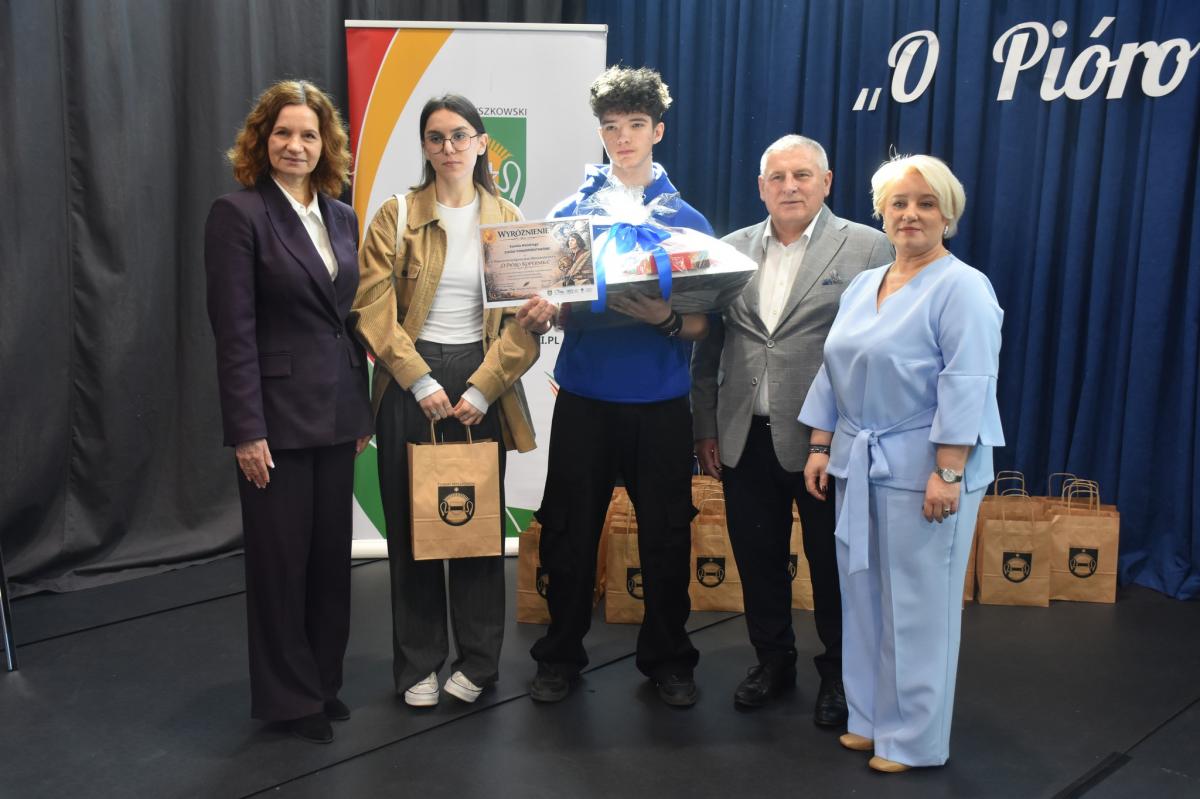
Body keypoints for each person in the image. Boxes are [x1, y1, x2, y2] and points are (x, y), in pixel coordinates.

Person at [799, 154, 1003, 771]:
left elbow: (968, 381)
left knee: (918, 607)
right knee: (863, 598)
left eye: (926, 203)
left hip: (925, 472)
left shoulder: (963, 287)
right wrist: (820, 445)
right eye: (899, 203)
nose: (911, 214)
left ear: (948, 214)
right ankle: (870, 720)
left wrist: (948, 471)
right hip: (860, 463)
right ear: (882, 214)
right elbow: (834, 369)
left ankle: (913, 739)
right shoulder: (865, 284)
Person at [516, 66, 712, 708]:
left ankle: (669, 660)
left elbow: (702, 323)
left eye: (635, 125)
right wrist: (544, 312)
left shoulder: (687, 221)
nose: (622, 138)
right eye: (610, 127)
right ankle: (559, 654)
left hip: (661, 405)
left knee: (666, 535)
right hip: (586, 400)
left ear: (658, 131)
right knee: (569, 532)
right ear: (599, 133)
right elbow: (549, 308)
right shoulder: (569, 217)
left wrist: (664, 318)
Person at [690, 135, 892, 723]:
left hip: (829, 441)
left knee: (834, 565)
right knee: (757, 559)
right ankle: (772, 661)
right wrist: (704, 425)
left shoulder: (868, 247)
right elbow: (710, 349)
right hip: (742, 434)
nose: (790, 187)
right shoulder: (729, 250)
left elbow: (879, 347)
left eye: (802, 175)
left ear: (826, 182)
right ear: (761, 188)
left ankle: (839, 675)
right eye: (777, 177)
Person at [353, 94, 539, 709]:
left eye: (460, 135)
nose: (449, 147)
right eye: (436, 137)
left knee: (475, 530)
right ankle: (418, 665)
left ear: (482, 142)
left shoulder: (510, 218)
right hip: (410, 379)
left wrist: (483, 387)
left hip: (483, 378)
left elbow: (522, 325)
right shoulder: (397, 214)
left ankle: (479, 663)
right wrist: (419, 380)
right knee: (413, 531)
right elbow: (371, 309)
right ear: (425, 147)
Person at [204, 79, 373, 744]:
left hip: (337, 415)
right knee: (280, 565)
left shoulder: (342, 216)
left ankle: (322, 683)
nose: (295, 145)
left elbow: (345, 322)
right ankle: (288, 697)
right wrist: (246, 429)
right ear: (262, 140)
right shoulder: (237, 214)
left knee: (330, 562)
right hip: (274, 421)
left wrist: (359, 410)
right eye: (283, 133)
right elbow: (234, 332)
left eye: (308, 134)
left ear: (325, 144)